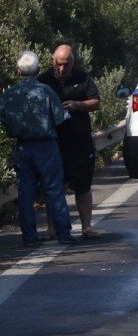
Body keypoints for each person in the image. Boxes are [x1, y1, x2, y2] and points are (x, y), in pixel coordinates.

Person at [0, 51, 75, 247]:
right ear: (38, 70)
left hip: (23, 147)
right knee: (54, 191)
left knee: (26, 193)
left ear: (18, 71)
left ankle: (30, 237)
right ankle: (63, 234)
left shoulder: (10, 94)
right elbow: (60, 118)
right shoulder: (46, 91)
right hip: (46, 147)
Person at [38, 45, 101, 238]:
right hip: (54, 143)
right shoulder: (44, 80)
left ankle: (86, 227)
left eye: (66, 65)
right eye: (59, 64)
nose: (62, 69)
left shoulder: (83, 78)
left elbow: (96, 102)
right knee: (54, 187)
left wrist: (78, 105)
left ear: (72, 63)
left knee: (82, 186)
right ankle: (52, 228)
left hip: (80, 142)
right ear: (53, 61)